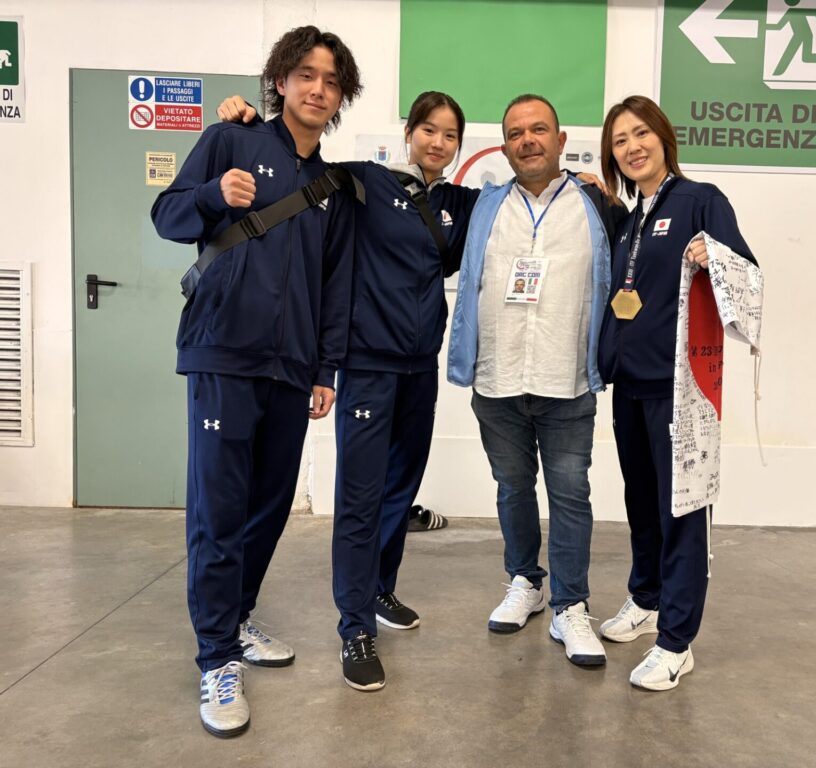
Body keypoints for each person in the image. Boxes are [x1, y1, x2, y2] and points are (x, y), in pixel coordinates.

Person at [218, 90, 479, 692]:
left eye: (449, 135)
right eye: (428, 130)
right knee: (360, 498)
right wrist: (250, 121)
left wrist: (585, 184)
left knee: (400, 488)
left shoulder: (458, 204)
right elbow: (296, 161)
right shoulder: (362, 181)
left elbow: (516, 202)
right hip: (368, 365)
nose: (437, 142)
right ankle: (355, 627)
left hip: (420, 367)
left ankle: (380, 589)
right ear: (409, 132)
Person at [151, 27, 361, 736]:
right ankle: (216, 658)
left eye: (330, 80)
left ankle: (235, 618)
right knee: (218, 510)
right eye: (306, 74)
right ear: (280, 81)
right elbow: (167, 215)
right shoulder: (230, 140)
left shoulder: (332, 187)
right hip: (222, 354)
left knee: (268, 507)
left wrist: (325, 369)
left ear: (341, 96)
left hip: (292, 369)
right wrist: (213, 194)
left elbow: (334, 286)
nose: (317, 89)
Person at [447, 94, 623, 667]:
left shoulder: (597, 205)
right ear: (504, 148)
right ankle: (526, 581)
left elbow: (642, 255)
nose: (528, 140)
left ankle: (571, 605)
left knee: (570, 494)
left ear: (560, 140)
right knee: (512, 488)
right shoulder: (484, 205)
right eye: (516, 133)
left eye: (539, 129)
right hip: (497, 379)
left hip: (566, 379)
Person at [595, 95, 757, 690]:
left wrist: (715, 254)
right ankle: (647, 597)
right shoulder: (630, 218)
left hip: (681, 388)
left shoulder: (700, 200)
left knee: (682, 510)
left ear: (664, 137)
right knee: (642, 501)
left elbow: (749, 274)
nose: (632, 147)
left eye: (641, 134)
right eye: (620, 141)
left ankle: (676, 640)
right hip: (630, 384)